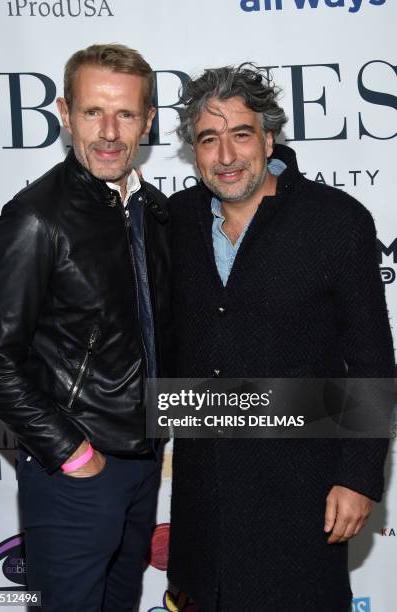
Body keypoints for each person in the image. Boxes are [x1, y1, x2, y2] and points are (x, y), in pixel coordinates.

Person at [167, 65, 394, 611]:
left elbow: (371, 358)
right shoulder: (169, 222)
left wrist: (359, 477)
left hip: (303, 495)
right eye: (208, 139)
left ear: (269, 138)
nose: (225, 155)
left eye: (241, 134)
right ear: (192, 151)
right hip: (204, 504)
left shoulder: (336, 221)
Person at [0, 43, 173, 612]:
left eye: (127, 114)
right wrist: (72, 453)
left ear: (148, 121)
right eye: (93, 112)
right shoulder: (36, 218)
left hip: (141, 466)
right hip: (75, 474)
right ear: (65, 114)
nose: (110, 132)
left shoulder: (151, 210)